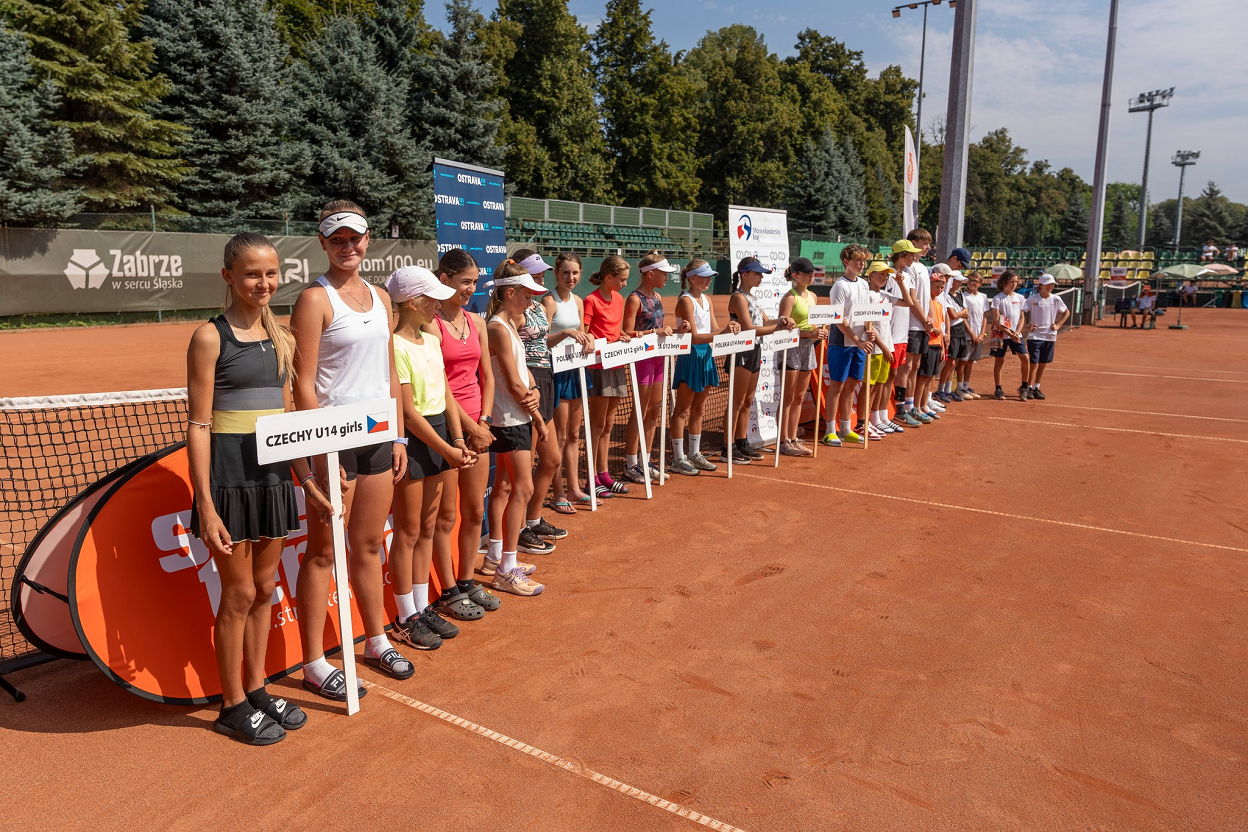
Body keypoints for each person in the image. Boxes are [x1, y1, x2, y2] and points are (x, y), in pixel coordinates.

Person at [187, 232, 316, 745]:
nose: (263, 283)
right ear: (229, 277)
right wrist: (205, 502)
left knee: (265, 588)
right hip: (230, 480)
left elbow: (285, 418)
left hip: (273, 479)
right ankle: (231, 703)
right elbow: (199, 424)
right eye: (251, 274)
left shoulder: (283, 337)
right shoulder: (209, 337)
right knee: (239, 592)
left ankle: (257, 688)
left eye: (271, 273)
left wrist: (306, 477)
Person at [290, 201, 412, 699]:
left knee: (368, 544)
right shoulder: (313, 300)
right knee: (323, 552)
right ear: (323, 243)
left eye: (354, 238)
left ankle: (376, 640)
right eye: (337, 239)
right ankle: (314, 663)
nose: (347, 247)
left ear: (368, 239)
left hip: (378, 436)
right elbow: (302, 382)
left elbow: (388, 370)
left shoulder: (381, 297)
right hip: (332, 443)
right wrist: (320, 450)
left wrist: (398, 434)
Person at [385, 266, 476, 653]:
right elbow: (407, 412)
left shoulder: (432, 339)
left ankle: (421, 607)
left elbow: (447, 396)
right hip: (415, 439)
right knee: (407, 531)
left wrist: (457, 438)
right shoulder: (394, 346)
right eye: (433, 298)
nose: (440, 304)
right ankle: (405, 616)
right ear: (413, 302)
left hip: (440, 436)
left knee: (426, 527)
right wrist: (446, 448)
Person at [428, 249, 499, 622]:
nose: (471, 288)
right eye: (464, 282)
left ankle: (467, 580)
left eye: (474, 282)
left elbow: (486, 376)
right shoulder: (431, 324)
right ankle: (447, 590)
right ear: (444, 280)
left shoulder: (477, 321)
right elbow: (438, 387)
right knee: (447, 515)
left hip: (478, 428)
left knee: (474, 511)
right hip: (448, 429)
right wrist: (469, 429)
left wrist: (483, 422)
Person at [484, 262, 550, 597]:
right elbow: (512, 382)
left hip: (514, 417)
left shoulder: (507, 324)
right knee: (522, 489)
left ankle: (495, 556)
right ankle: (505, 569)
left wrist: (534, 390)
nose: (531, 301)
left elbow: (522, 374)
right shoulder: (498, 327)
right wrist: (538, 417)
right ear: (510, 293)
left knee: (505, 486)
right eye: (527, 295)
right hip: (511, 419)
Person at [497, 250, 563, 556]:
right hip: (524, 387)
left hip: (541, 380)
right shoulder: (509, 316)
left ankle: (531, 521)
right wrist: (530, 394)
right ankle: (517, 533)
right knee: (516, 479)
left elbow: (538, 343)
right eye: (533, 274)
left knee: (551, 459)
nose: (540, 277)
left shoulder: (536, 305)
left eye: (541, 272)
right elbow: (513, 364)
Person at [669, 259, 740, 474]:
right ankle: (678, 457)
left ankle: (694, 453)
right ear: (692, 278)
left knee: (699, 408)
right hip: (690, 356)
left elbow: (714, 329)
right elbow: (694, 337)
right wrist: (722, 333)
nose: (709, 280)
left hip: (706, 355)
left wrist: (730, 329)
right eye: (704, 276)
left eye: (710, 277)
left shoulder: (707, 299)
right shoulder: (686, 301)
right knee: (682, 409)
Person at [724, 256, 794, 461]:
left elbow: (765, 321)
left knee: (747, 400)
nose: (761, 277)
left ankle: (741, 442)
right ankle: (727, 447)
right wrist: (778, 327)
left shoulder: (752, 297)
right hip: (741, 351)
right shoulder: (739, 298)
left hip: (755, 350)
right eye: (757, 273)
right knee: (736, 402)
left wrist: (782, 320)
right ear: (745, 275)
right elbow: (749, 328)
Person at [541, 253, 595, 510]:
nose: (570, 277)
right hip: (556, 372)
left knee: (574, 434)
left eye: (574, 273)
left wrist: (589, 339)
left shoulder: (578, 301)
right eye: (565, 272)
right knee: (560, 436)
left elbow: (582, 334)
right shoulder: (548, 301)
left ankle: (573, 488)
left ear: (580, 274)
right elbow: (542, 341)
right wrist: (565, 333)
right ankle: (558, 493)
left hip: (576, 370)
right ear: (556, 274)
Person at [622, 251, 680, 482]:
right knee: (639, 410)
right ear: (650, 274)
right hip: (642, 359)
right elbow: (626, 332)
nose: (667, 277)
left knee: (654, 410)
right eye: (663, 273)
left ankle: (645, 461)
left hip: (658, 358)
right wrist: (654, 332)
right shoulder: (634, 299)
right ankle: (630, 464)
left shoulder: (657, 296)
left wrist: (678, 330)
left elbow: (660, 329)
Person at [583, 255, 633, 498]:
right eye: (621, 279)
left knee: (609, 424)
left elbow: (615, 329)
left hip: (617, 363)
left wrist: (622, 335)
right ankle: (590, 477)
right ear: (609, 276)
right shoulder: (590, 301)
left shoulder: (619, 299)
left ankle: (604, 475)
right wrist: (600, 340)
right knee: (597, 424)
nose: (625, 283)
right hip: (598, 367)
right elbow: (586, 335)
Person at [821, 245, 873, 447]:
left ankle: (845, 429)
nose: (861, 264)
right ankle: (829, 430)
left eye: (863, 261)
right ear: (846, 262)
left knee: (852, 385)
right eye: (858, 260)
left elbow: (867, 312)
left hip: (859, 343)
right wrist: (858, 339)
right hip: (841, 342)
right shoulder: (839, 286)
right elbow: (838, 318)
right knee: (837, 385)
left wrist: (869, 330)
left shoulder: (864, 284)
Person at [777, 257, 829, 456]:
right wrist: (810, 333)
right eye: (806, 273)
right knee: (788, 397)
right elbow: (783, 329)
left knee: (799, 397)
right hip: (790, 348)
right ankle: (783, 441)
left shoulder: (813, 296)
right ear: (795, 275)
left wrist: (821, 331)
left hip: (808, 348)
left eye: (812, 272)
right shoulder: (789, 298)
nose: (811, 276)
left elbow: (813, 324)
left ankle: (793, 438)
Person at [899, 230, 937, 426]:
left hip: (922, 325)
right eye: (924, 243)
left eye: (929, 243)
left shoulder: (923, 267)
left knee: (915, 367)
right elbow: (912, 300)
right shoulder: (909, 268)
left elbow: (927, 297)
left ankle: (912, 405)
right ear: (913, 243)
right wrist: (924, 319)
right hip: (912, 325)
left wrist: (931, 320)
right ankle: (904, 408)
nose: (928, 247)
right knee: (907, 367)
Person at [885, 241, 922, 428]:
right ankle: (884, 414)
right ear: (901, 255)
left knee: (898, 373)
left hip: (902, 334)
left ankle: (899, 411)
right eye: (910, 254)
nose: (914, 258)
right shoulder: (888, 276)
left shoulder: (908, 276)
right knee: (888, 376)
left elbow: (911, 302)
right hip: (889, 335)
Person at [861, 261, 898, 438]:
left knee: (878, 385)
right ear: (871, 275)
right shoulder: (867, 296)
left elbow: (909, 302)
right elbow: (868, 326)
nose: (885, 278)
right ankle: (863, 423)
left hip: (886, 347)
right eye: (881, 274)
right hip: (875, 349)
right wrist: (883, 347)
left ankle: (873, 420)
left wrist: (900, 282)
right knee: (868, 387)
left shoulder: (886, 295)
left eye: (887, 275)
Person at [1022, 273, 1070, 400]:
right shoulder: (1032, 299)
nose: (1050, 287)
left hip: (1050, 336)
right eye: (1048, 284)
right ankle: (1029, 387)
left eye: (1052, 284)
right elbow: (1022, 311)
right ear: (1040, 285)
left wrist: (1058, 325)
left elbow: (1066, 312)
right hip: (1035, 336)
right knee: (1034, 363)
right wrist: (1027, 325)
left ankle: (1036, 387)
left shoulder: (1056, 299)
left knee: (1043, 363)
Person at [989, 270, 1031, 401]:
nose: (1014, 284)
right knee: (999, 360)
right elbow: (996, 320)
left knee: (1025, 358)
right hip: (1001, 336)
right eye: (1011, 282)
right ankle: (998, 388)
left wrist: (1017, 333)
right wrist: (1010, 334)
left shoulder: (1020, 298)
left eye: (1016, 282)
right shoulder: (997, 299)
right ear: (1003, 282)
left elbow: (1022, 317)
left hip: (1016, 336)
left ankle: (1024, 387)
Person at [915, 270, 948, 420]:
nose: (939, 290)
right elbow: (928, 324)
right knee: (923, 377)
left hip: (936, 345)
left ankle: (924, 404)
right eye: (937, 286)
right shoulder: (926, 302)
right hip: (927, 343)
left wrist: (942, 347)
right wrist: (934, 330)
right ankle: (917, 406)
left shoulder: (939, 305)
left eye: (942, 287)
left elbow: (940, 326)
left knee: (930, 377)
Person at [935, 266, 969, 403]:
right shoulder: (946, 296)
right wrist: (961, 313)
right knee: (950, 362)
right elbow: (953, 315)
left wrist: (959, 313)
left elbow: (966, 313)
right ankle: (940, 390)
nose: (960, 283)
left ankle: (948, 390)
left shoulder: (960, 295)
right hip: (954, 330)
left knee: (954, 363)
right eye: (958, 281)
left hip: (960, 330)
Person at [956, 271, 989, 398]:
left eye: (975, 281)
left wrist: (981, 334)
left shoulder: (983, 297)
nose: (971, 283)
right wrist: (971, 333)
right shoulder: (963, 296)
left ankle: (966, 386)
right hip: (966, 335)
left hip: (978, 336)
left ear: (980, 283)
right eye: (970, 280)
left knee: (970, 362)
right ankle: (959, 388)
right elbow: (963, 317)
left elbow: (985, 317)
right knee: (962, 361)